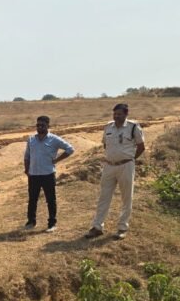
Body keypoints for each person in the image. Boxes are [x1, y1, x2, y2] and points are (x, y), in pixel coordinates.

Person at [85, 103, 146, 240]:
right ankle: (97, 227)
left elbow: (141, 146)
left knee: (126, 198)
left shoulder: (133, 127)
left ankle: (122, 228)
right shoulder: (108, 127)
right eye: (115, 114)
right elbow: (105, 144)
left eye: (119, 114)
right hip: (109, 166)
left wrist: (131, 159)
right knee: (103, 197)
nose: (116, 116)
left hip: (126, 166)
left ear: (126, 114)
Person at [23, 116, 74, 233]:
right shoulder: (31, 140)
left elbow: (70, 149)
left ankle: (52, 223)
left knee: (50, 200)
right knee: (32, 199)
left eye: (42, 125)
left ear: (48, 126)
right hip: (34, 175)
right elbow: (27, 156)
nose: (39, 127)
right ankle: (31, 221)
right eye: (38, 125)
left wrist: (56, 160)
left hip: (48, 174)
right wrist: (27, 169)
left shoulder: (54, 139)